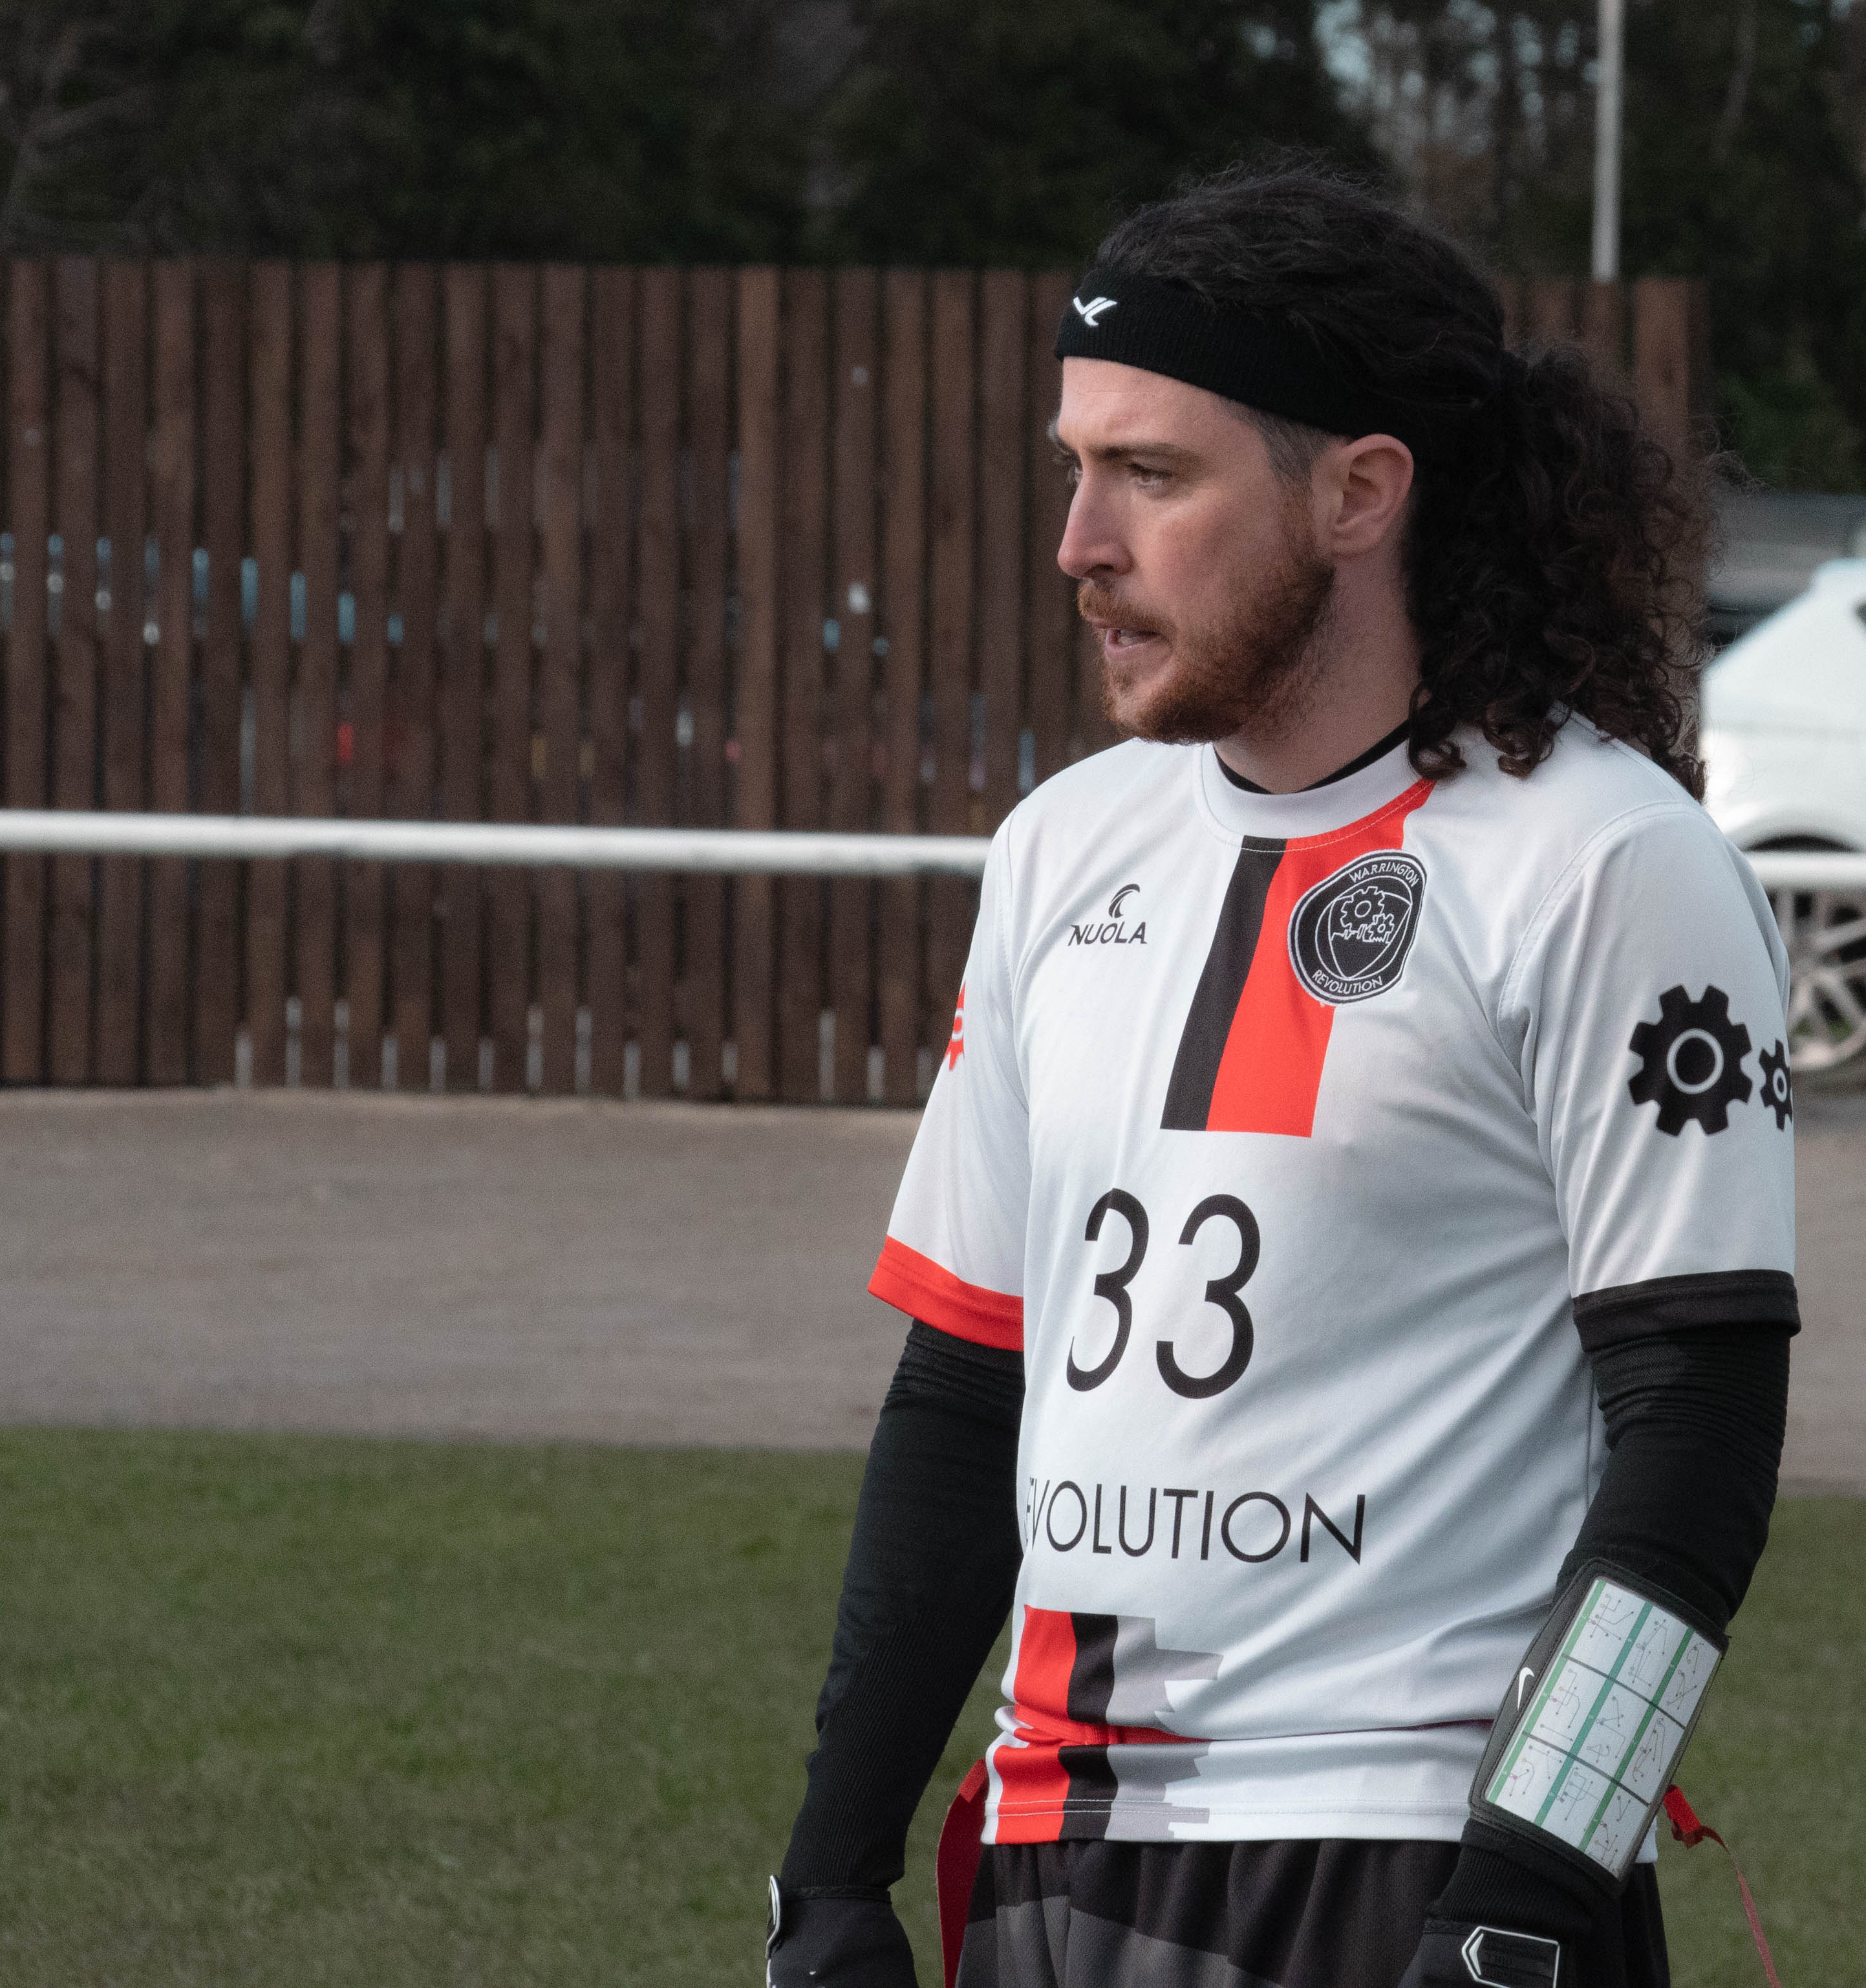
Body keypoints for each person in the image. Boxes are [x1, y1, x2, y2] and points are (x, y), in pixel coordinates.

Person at [765, 162, 1798, 1988]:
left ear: (1358, 493)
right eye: (1075, 467)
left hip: (1415, 1857)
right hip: (1060, 1851)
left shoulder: (1603, 860)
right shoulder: (1063, 847)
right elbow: (964, 1391)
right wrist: (831, 1872)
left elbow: (1699, 1438)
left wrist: (1527, 1895)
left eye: (1153, 475)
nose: (1080, 540)